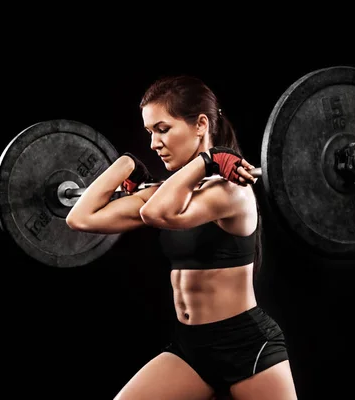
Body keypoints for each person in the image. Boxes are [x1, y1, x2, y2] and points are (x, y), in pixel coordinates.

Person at [66, 75, 298, 400]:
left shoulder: (230, 191)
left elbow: (157, 215)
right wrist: (125, 164)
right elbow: (80, 218)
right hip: (192, 348)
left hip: (247, 347)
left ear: (200, 124)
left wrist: (207, 161)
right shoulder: (168, 192)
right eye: (149, 133)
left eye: (162, 129)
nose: (154, 143)